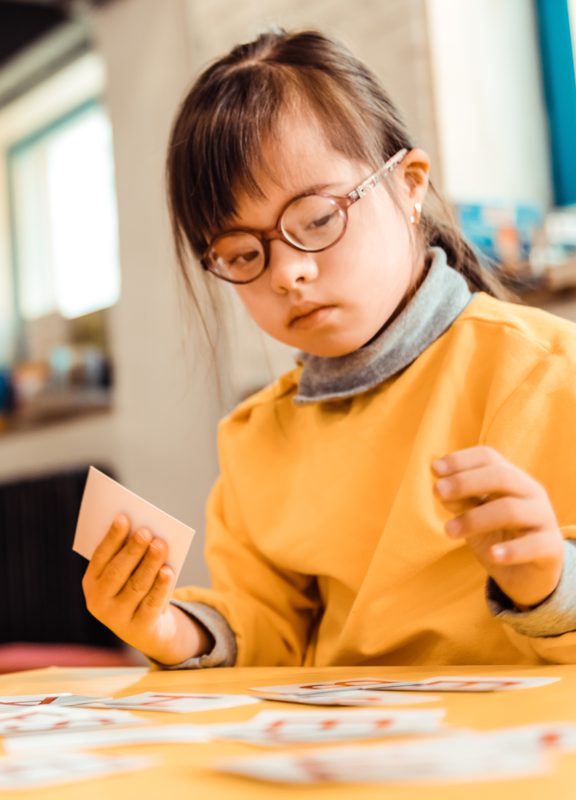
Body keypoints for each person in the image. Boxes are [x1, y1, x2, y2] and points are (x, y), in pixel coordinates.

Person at [83, 29, 576, 669]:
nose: (287, 273)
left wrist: (548, 579)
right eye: (241, 254)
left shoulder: (543, 370)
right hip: (344, 751)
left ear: (409, 186)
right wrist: (170, 629)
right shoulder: (258, 437)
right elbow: (267, 630)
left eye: (317, 219)